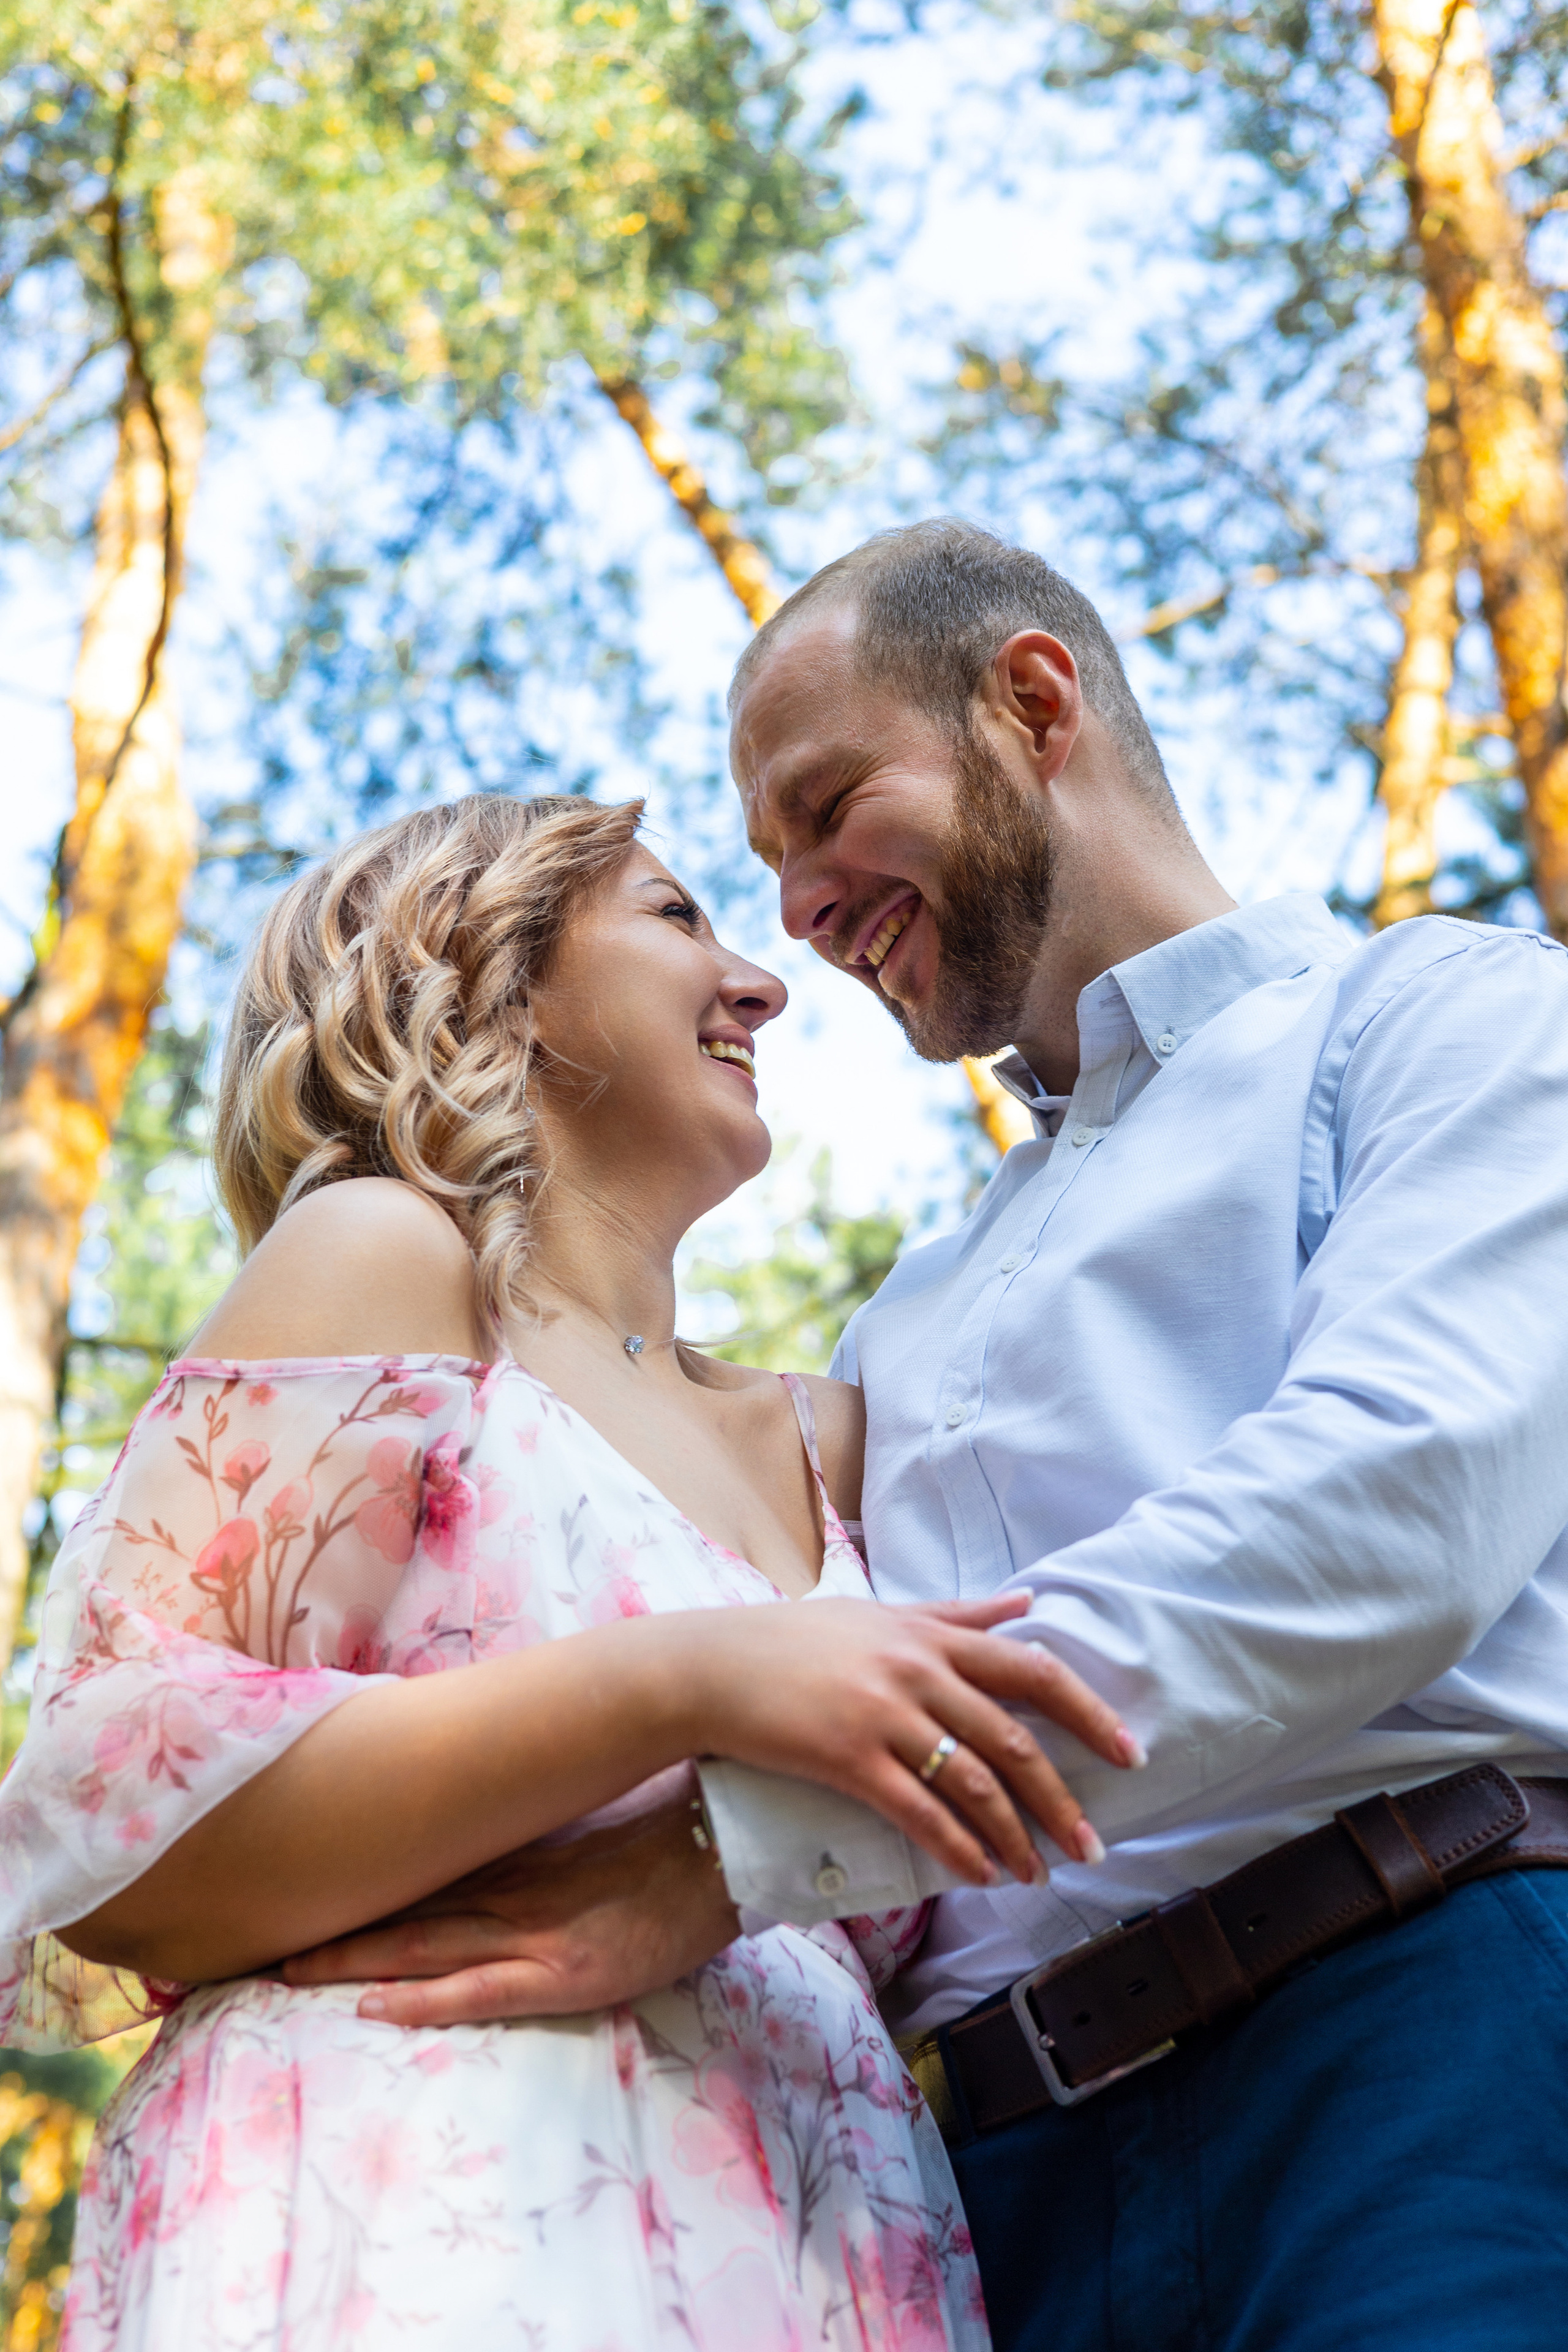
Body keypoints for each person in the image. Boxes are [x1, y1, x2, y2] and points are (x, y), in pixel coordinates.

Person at [300, 523, 1568, 2352]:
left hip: (1419, 2045)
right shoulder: (906, 1318)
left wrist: (729, 1855)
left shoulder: (1444, 1019)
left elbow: (1399, 1504)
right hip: (990, 2204)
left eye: (828, 807)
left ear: (1031, 702)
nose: (799, 914)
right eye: (758, 867)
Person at [0, 790, 1147, 2350]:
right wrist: (680, 1679)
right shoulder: (385, 1258)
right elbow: (110, 1824)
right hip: (416, 2205)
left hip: (828, 2253)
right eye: (678, 918)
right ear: (483, 975)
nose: (763, 981)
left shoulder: (837, 1443)